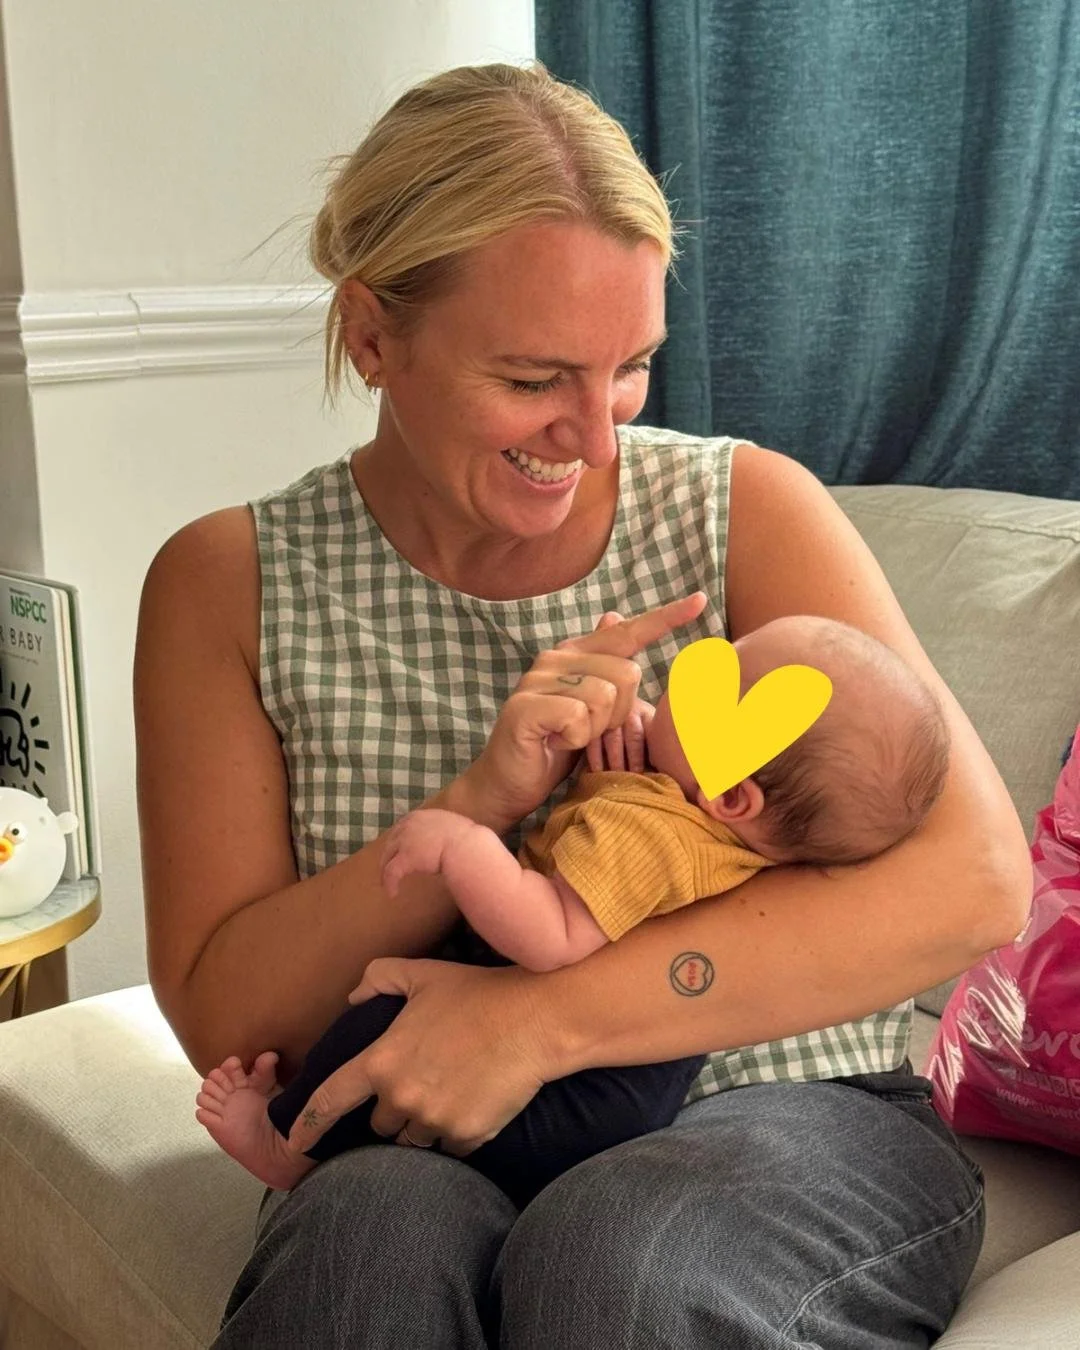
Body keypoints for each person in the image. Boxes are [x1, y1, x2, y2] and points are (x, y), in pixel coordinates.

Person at [135, 60, 1031, 1349]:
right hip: (427, 1127)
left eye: (631, 368)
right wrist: (480, 803)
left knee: (622, 1261)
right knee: (358, 1260)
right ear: (372, 334)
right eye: (533, 377)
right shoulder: (229, 583)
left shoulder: (743, 507)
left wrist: (541, 1023)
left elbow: (976, 883)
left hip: (794, 1099)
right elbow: (229, 1016)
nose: (599, 439)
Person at [194, 614, 951, 1210]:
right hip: (623, 1083)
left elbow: (550, 936)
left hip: (580, 1094)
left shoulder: (654, 838)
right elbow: (660, 804)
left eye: (712, 688)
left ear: (731, 794)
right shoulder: (706, 828)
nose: (683, 679)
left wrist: (463, 845)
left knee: (379, 1025)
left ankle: (285, 1148)